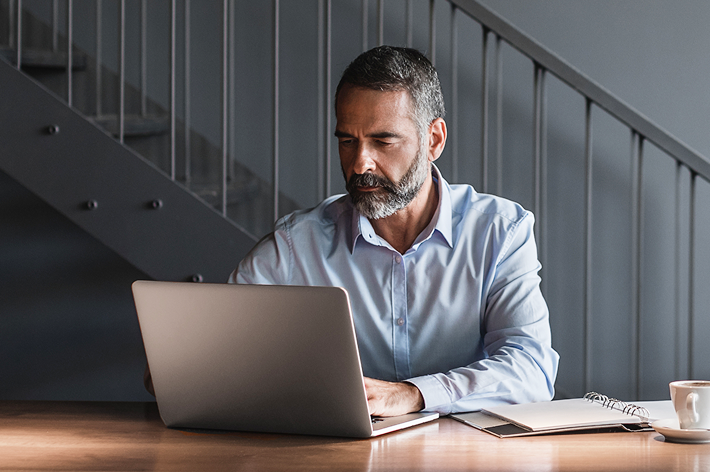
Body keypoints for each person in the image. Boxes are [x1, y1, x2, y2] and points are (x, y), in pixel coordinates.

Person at [228, 46, 559, 416]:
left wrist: (414, 394)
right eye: (347, 141)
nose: (359, 163)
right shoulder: (296, 244)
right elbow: (208, 357)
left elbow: (531, 370)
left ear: (433, 140)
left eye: (383, 141)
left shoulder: (499, 232)